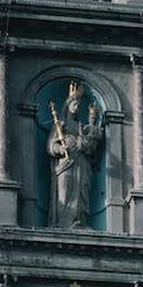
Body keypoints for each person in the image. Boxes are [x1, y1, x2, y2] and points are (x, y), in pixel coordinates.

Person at [47, 83, 104, 228]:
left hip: (81, 163)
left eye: (78, 104)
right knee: (64, 192)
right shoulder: (60, 125)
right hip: (65, 164)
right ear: (68, 105)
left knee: (81, 193)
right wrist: (60, 148)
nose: (77, 107)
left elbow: (90, 147)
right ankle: (62, 223)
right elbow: (50, 146)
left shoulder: (81, 127)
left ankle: (79, 222)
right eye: (74, 103)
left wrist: (82, 143)